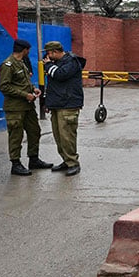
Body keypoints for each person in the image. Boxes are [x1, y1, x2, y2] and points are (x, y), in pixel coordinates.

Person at [0, 39, 53, 176]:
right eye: (28, 50)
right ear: (24, 50)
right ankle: (15, 164)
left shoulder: (21, 63)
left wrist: (33, 89)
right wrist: (24, 95)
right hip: (15, 108)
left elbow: (23, 82)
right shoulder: (8, 65)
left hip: (27, 107)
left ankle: (33, 159)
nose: (28, 52)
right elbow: (4, 86)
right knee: (16, 135)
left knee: (34, 131)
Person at [43, 41, 84, 176]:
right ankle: (66, 161)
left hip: (68, 105)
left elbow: (60, 75)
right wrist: (49, 103)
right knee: (59, 136)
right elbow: (54, 85)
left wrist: (48, 65)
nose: (47, 56)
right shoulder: (56, 64)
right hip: (57, 104)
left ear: (55, 51)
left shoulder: (71, 61)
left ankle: (73, 163)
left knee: (67, 137)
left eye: (48, 53)